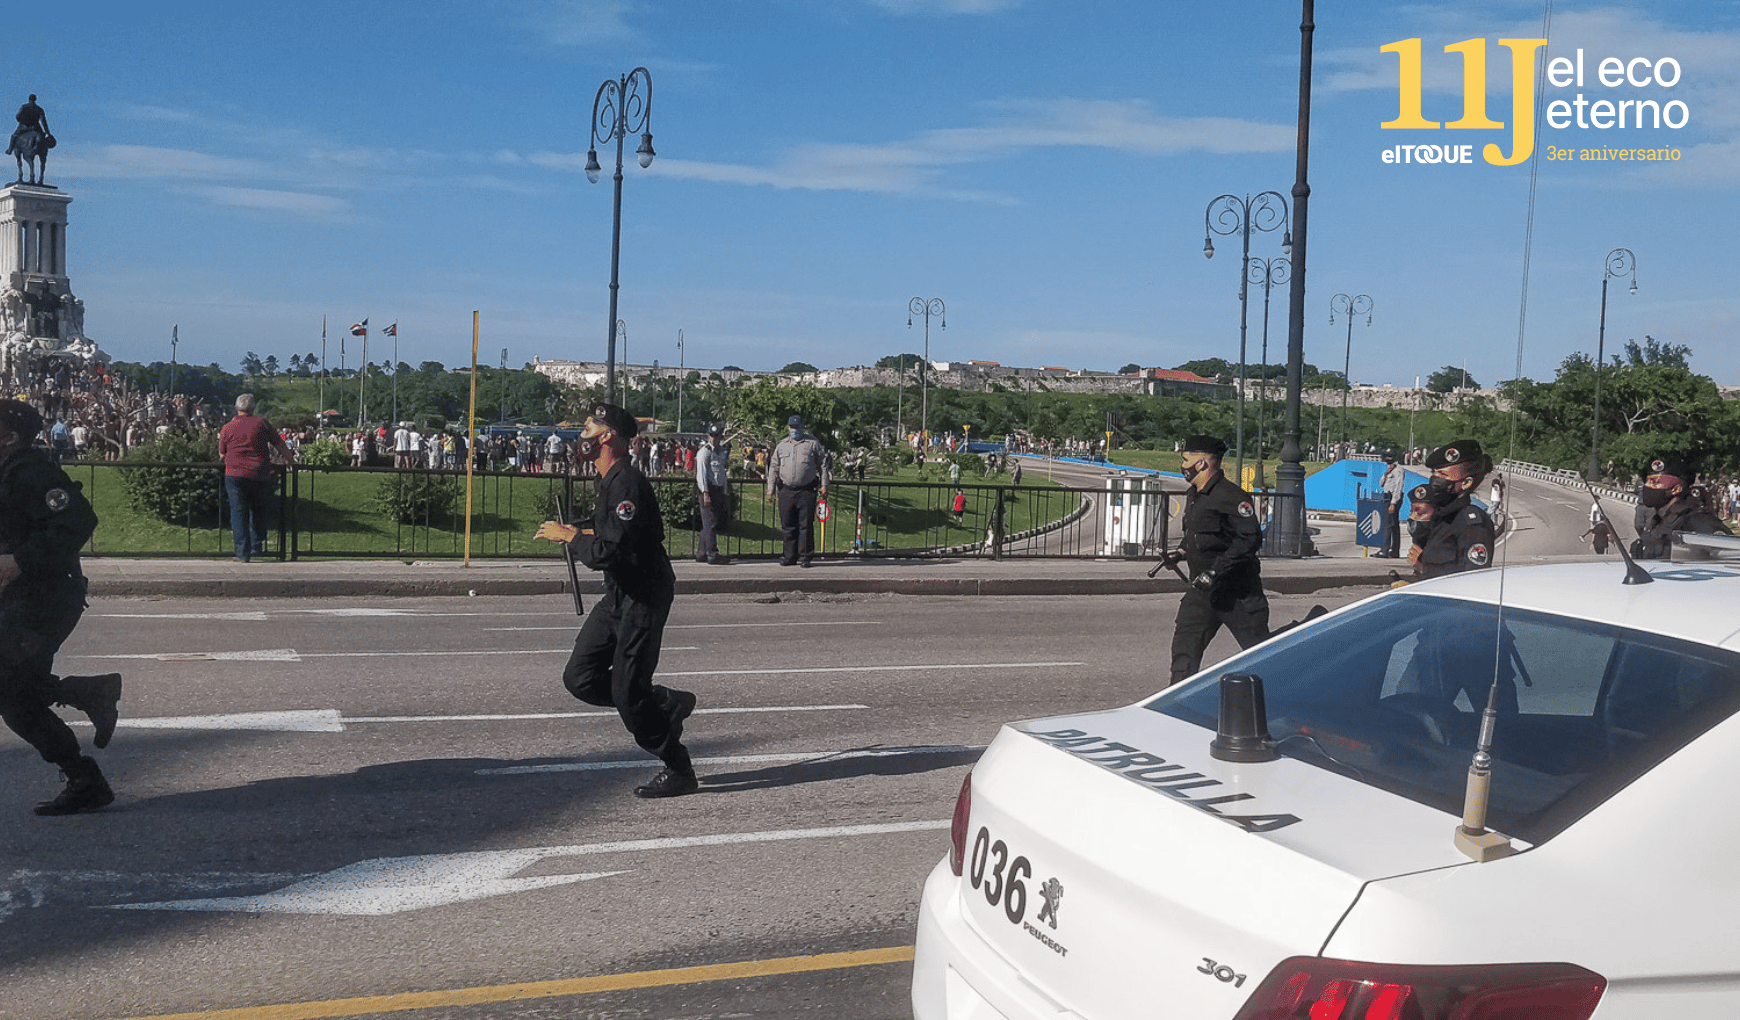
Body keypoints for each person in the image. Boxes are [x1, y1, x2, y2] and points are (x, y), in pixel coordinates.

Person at [535, 403, 698, 799]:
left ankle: (678, 767)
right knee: (581, 678)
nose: (582, 433)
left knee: (627, 692)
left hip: (643, 596)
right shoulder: (611, 479)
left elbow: (611, 551)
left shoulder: (626, 483)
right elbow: (617, 533)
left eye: (590, 427)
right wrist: (581, 530)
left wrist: (572, 538)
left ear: (607, 436)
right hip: (619, 595)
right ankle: (665, 702)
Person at [0, 399, 124, 815]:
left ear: (10, 436)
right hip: (22, 599)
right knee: (15, 699)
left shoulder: (29, 472)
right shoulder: (7, 473)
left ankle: (89, 704)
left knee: (11, 691)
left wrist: (19, 560)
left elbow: (78, 520)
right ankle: (88, 702)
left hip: (45, 600)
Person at [1167, 435, 1270, 686]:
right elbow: (1200, 534)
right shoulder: (1195, 494)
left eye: (1186, 459)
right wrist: (1180, 552)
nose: (1183, 465)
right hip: (1202, 592)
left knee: (1262, 654)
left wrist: (1215, 571)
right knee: (1184, 650)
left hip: (1237, 593)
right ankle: (1178, 701)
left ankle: (1285, 700)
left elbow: (1249, 539)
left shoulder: (1231, 496)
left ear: (1201, 463)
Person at [217, 394, 291, 563]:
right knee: (258, 509)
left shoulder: (228, 427)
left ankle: (242, 553)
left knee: (238, 512)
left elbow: (222, 454)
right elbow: (280, 445)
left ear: (236, 409)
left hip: (234, 473)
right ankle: (256, 546)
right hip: (259, 473)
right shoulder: (262, 423)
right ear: (253, 409)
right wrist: (291, 461)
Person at [1410, 439, 1497, 579]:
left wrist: (1423, 567)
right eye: (1434, 473)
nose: (1434, 480)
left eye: (1443, 475)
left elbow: (1473, 579)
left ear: (1466, 483)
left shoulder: (1472, 523)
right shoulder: (1440, 518)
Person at [1631, 456, 1733, 559]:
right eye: (1647, 481)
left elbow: (1731, 556)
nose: (1648, 486)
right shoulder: (1658, 520)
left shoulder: (1698, 520)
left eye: (1655, 482)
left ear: (1676, 489)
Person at [765, 414, 830, 567]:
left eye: (797, 427)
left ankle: (805, 557)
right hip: (786, 490)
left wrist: (824, 485)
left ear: (803, 427)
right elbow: (774, 467)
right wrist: (770, 490)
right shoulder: (781, 446)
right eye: (792, 427)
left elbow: (823, 465)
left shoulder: (812, 444)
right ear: (788, 428)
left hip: (806, 491)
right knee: (788, 525)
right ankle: (789, 556)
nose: (794, 430)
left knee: (805, 525)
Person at [695, 423, 731, 565]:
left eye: (717, 435)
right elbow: (702, 474)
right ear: (708, 436)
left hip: (718, 489)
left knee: (709, 523)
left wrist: (725, 491)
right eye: (712, 435)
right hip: (708, 489)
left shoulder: (720, 452)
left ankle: (702, 553)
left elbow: (722, 472)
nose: (714, 438)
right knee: (710, 523)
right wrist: (705, 492)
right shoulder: (705, 452)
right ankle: (712, 553)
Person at [1378, 449, 1407, 559]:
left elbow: (1398, 487)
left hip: (1392, 498)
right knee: (1393, 525)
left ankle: (1385, 550)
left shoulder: (1399, 470)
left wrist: (1393, 503)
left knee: (1388, 524)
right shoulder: (1389, 470)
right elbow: (1381, 483)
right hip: (1386, 497)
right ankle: (1394, 551)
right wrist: (1386, 474)